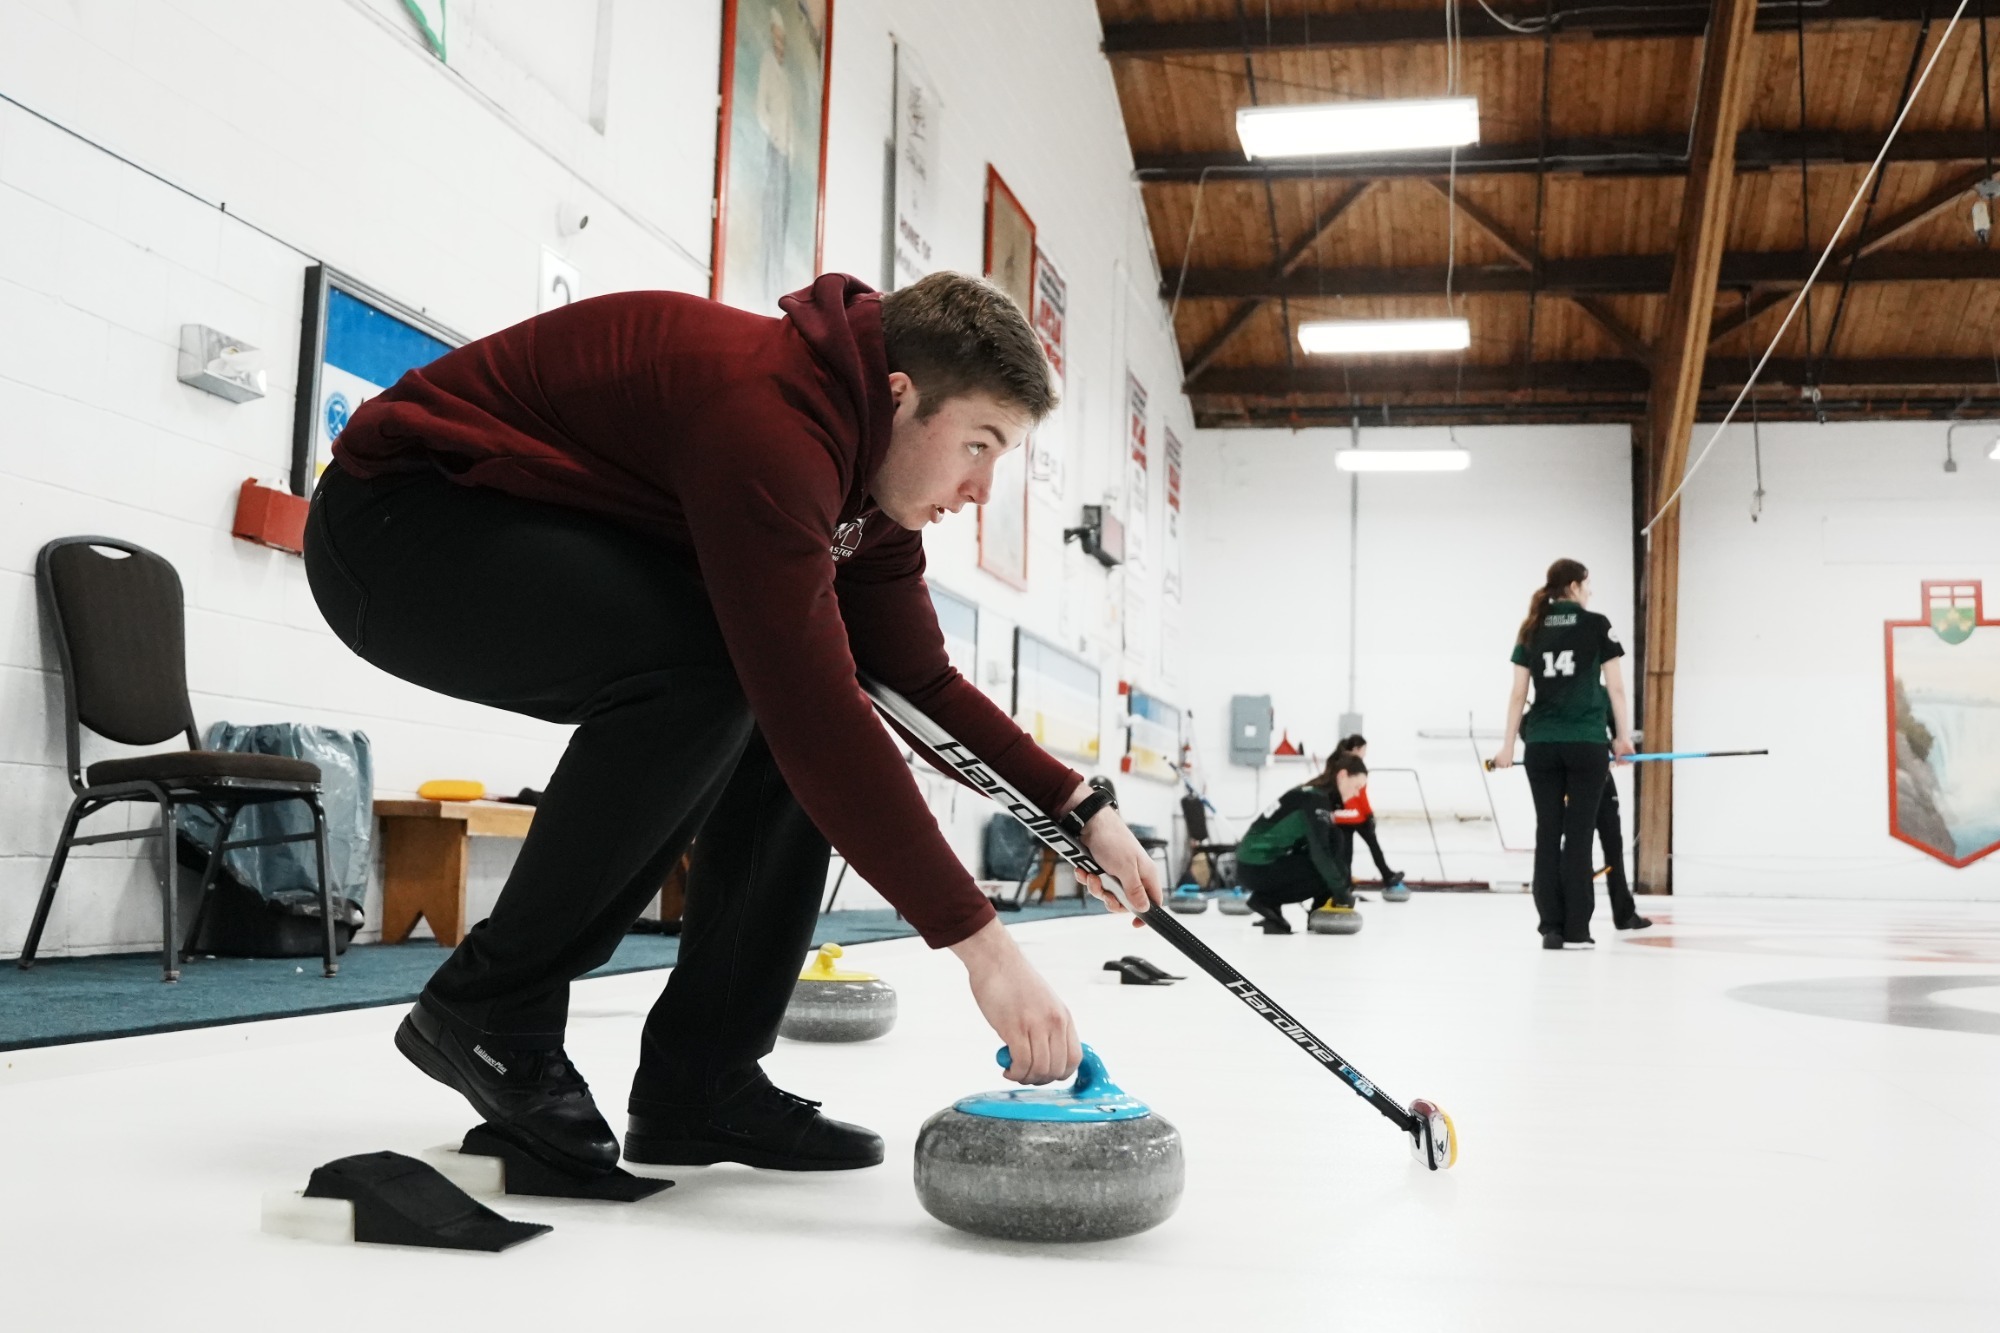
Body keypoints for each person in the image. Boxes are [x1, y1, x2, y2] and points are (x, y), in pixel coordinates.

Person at [304, 271, 1165, 1178]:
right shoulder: (769, 422)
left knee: (751, 688)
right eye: (978, 445)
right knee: (722, 676)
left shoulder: (867, 495)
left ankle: (703, 1081)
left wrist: (1080, 807)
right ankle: (492, 1008)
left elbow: (920, 683)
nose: (983, 488)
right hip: (394, 526)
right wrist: (984, 950)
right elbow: (821, 717)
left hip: (507, 527)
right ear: (899, 395)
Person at [1492, 558, 1634, 950]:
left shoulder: (1532, 627)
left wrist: (1508, 746)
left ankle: (1550, 927)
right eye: (1587, 585)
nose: (1590, 592)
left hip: (1541, 745)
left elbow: (1518, 694)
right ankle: (1577, 930)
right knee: (1579, 836)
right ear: (1573, 586)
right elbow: (1616, 689)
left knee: (1548, 832)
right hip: (1586, 743)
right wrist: (1622, 737)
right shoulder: (1597, 624)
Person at [1233, 752, 1369, 934]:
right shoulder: (1316, 801)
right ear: (1343, 776)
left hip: (1253, 865)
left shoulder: (1310, 793)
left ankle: (1279, 907)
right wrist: (1342, 893)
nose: (1357, 793)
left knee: (1334, 841)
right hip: (1257, 867)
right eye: (1357, 786)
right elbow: (1321, 852)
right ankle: (1266, 901)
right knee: (1328, 868)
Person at [1329, 734, 1403, 890]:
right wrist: (1369, 815)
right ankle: (1387, 875)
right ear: (1356, 749)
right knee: (1374, 846)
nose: (1365, 753)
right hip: (1357, 816)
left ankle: (1345, 884)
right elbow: (1361, 796)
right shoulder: (1356, 766)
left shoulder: (1336, 762)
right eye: (1364, 749)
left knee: (1346, 853)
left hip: (1341, 817)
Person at [1594, 775, 1652, 931]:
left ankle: (1624, 913)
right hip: (1578, 779)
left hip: (1600, 778)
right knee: (1577, 850)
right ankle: (1571, 917)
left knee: (1613, 849)